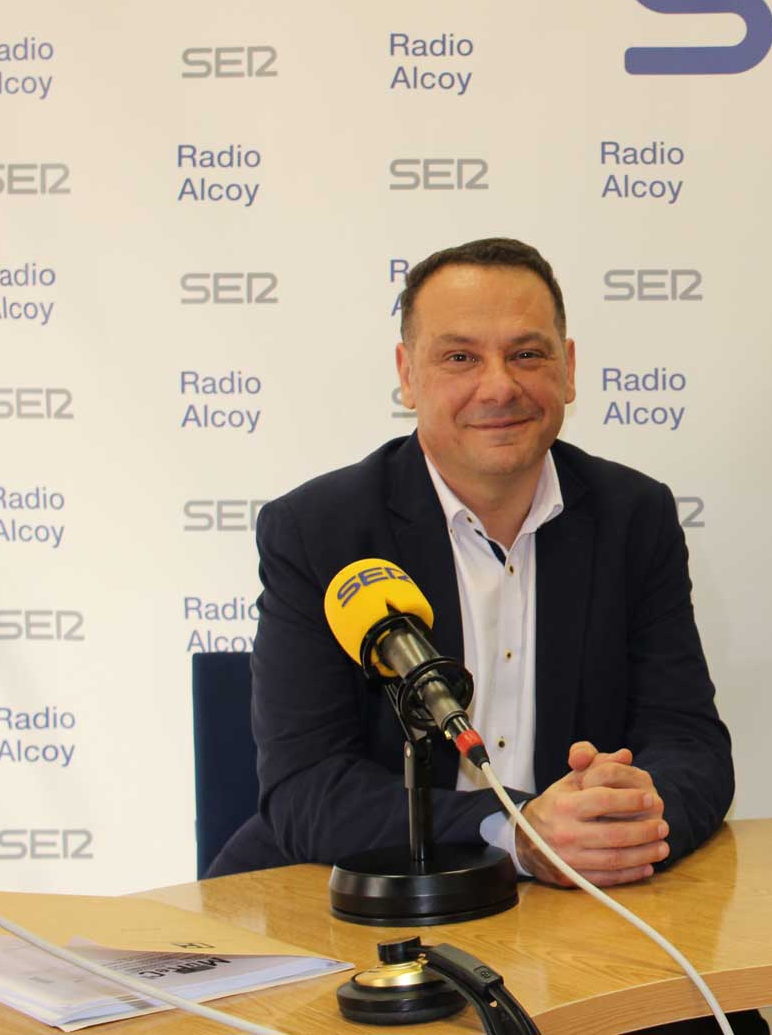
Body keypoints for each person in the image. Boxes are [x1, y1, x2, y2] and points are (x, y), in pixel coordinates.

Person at [210, 238, 735, 891]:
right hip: (363, 901)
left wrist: (628, 817)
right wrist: (517, 831)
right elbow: (306, 789)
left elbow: (691, 744)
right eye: (460, 357)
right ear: (407, 374)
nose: (499, 386)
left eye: (527, 354)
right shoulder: (320, 531)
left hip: (580, 909)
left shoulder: (634, 516)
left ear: (567, 369)